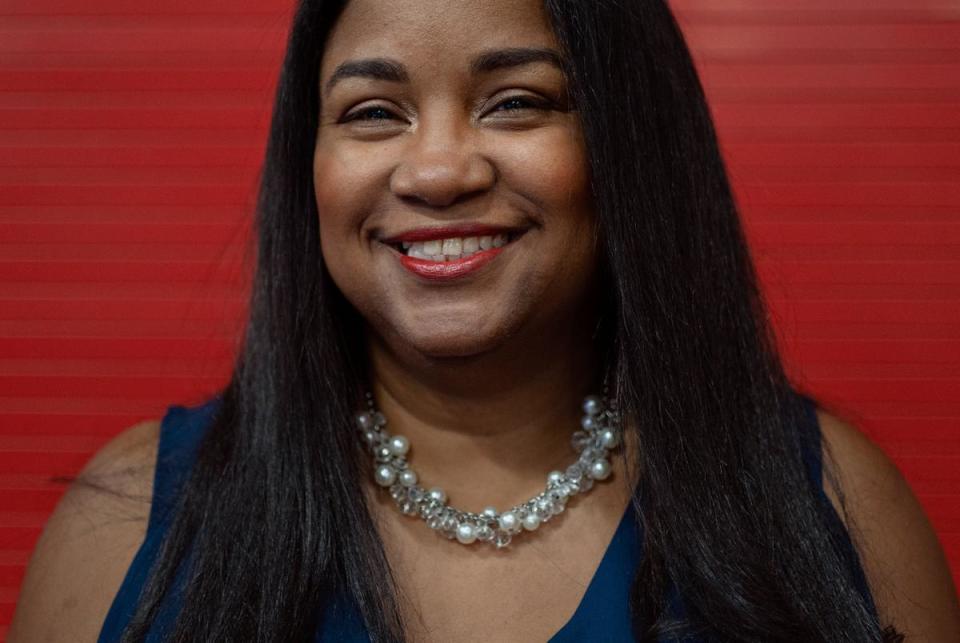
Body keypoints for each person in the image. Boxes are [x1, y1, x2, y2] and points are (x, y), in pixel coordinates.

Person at [10, 0, 960, 641]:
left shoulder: (823, 501)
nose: (436, 171)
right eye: (373, 112)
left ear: (629, 144)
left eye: (516, 102)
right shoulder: (134, 525)